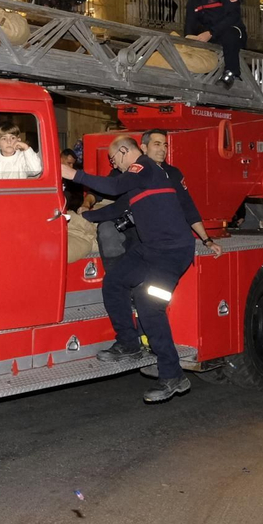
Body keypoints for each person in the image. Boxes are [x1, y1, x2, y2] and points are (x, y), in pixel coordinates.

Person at [61, 135, 196, 403]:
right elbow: (117, 208)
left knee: (148, 304)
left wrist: (74, 174)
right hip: (150, 249)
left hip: (172, 252)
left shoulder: (143, 167)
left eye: (114, 159)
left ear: (125, 151)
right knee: (114, 282)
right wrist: (77, 218)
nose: (115, 165)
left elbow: (113, 186)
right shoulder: (138, 183)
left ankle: (173, 375)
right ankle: (129, 343)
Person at [139, 130, 223, 258]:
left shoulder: (173, 174)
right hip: (144, 242)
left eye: (165, 145)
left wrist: (207, 241)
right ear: (144, 147)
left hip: (172, 242)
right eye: (157, 144)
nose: (162, 149)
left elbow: (187, 206)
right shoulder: (134, 173)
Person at [183, 0, 246, 88]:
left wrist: (211, 32)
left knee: (230, 34)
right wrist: (188, 39)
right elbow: (190, 23)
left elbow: (233, 15)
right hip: (210, 35)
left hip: (232, 32)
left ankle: (231, 73)